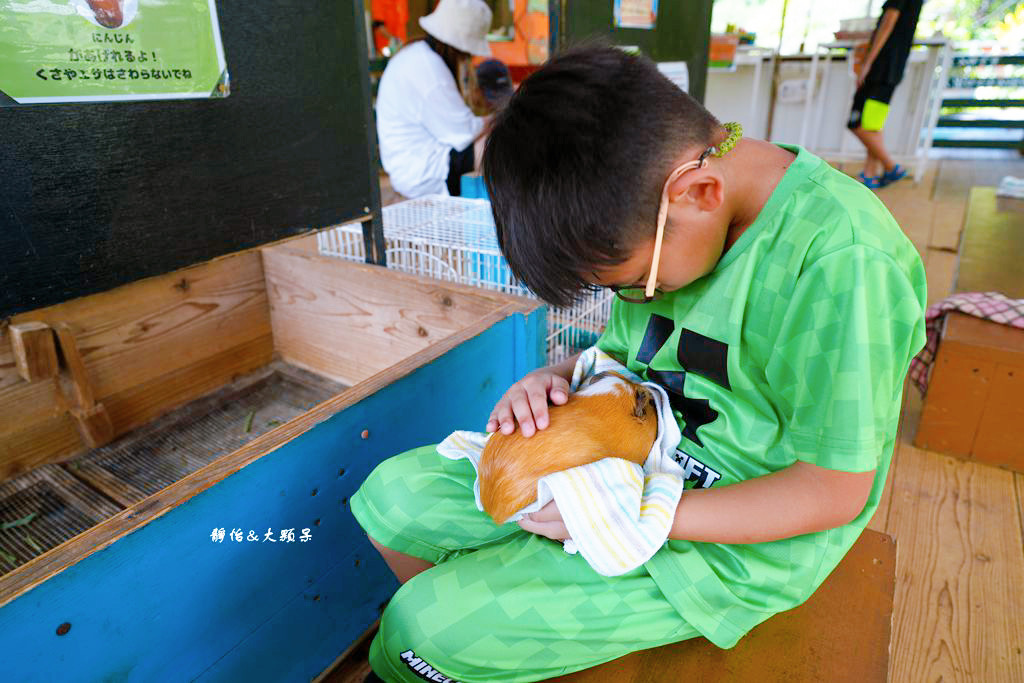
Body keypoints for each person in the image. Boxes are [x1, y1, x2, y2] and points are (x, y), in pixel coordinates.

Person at [352, 45, 927, 682]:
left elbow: (832, 488)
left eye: (630, 285)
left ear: (699, 191)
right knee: (393, 501)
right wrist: (558, 376)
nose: (632, 299)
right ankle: (496, 631)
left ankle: (471, 635)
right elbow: (627, 357)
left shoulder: (842, 261)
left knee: (420, 629)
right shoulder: (667, 210)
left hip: (728, 532)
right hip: (625, 458)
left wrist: (634, 515)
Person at [375, 0, 493, 199]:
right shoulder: (429, 67)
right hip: (420, 174)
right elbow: (463, 132)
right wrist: (495, 118)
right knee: (496, 143)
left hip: (407, 165)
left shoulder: (418, 54)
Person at [848, 0, 926, 189]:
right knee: (872, 125)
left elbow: (889, 21)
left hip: (881, 69)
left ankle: (891, 167)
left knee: (856, 123)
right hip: (892, 70)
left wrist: (868, 62)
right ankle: (870, 174)